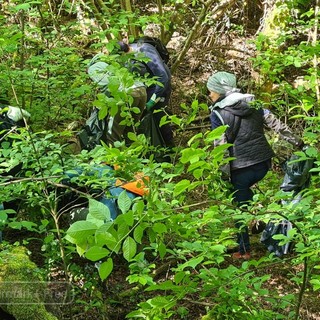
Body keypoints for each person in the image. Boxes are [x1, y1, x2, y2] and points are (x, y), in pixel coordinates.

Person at [207, 71, 303, 260]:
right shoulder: (255, 103)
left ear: (218, 91)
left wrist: (223, 174)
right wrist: (300, 144)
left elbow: (220, 147)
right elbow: (277, 125)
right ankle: (260, 216)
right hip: (263, 164)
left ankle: (244, 251)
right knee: (248, 197)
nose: (210, 95)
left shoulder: (217, 113)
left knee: (239, 207)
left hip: (240, 169)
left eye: (211, 91)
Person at [118, 40, 174, 147]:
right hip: (145, 90)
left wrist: (152, 101)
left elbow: (163, 78)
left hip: (160, 89)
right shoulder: (127, 58)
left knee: (159, 118)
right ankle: (151, 148)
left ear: (124, 52)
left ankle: (170, 150)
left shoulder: (144, 51)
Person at [87, 53, 147, 145]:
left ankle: (114, 158)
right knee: (131, 130)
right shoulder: (108, 65)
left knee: (113, 133)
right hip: (141, 90)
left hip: (126, 93)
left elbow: (108, 85)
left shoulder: (92, 69)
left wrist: (103, 105)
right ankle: (134, 156)